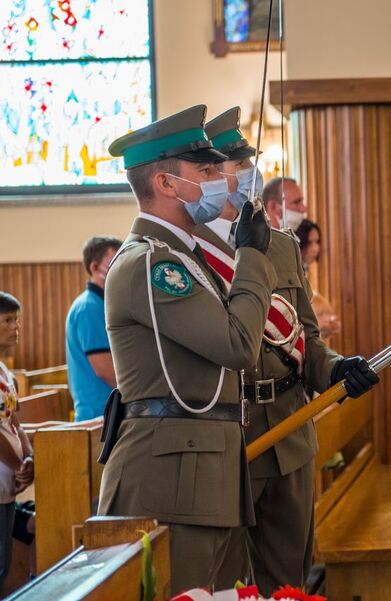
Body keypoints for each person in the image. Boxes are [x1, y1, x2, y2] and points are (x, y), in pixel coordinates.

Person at [97, 105, 279, 593]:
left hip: (205, 466)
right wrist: (251, 256)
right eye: (207, 171)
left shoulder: (183, 256)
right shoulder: (152, 264)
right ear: (166, 183)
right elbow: (237, 345)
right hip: (173, 473)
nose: (222, 180)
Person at [200, 107, 378, 595]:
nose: (249, 173)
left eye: (249, 161)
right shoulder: (190, 250)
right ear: (209, 175)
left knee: (288, 582)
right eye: (237, 163)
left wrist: (337, 369)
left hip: (289, 428)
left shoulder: (280, 245)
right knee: (226, 585)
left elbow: (306, 338)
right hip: (230, 434)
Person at [65, 236, 123, 421]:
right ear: (94, 267)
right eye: (115, 262)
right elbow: (105, 369)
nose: (121, 268)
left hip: (110, 410)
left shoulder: (104, 304)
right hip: (99, 415)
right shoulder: (88, 308)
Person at [0, 292, 35, 590]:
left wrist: (29, 458)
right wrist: (17, 465)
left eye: (17, 320)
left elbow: (15, 423)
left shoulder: (6, 374)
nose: (16, 327)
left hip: (7, 488)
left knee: (4, 564)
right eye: (8, 320)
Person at [295, 219, 341, 340]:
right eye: (310, 242)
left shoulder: (304, 270)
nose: (316, 248)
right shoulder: (293, 271)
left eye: (317, 242)